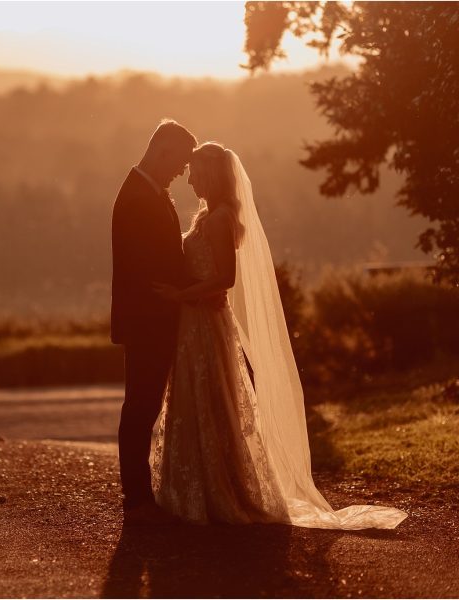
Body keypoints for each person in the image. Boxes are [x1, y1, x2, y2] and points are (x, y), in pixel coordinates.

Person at [150, 142, 408, 529]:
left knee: (214, 399)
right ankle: (193, 486)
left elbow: (225, 278)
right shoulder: (207, 216)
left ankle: (221, 489)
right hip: (194, 321)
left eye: (195, 171)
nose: (189, 178)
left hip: (206, 320)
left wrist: (180, 295)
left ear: (212, 174)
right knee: (195, 398)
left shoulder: (221, 218)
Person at [110, 120, 225, 526]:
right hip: (147, 318)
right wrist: (196, 288)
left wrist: (194, 289)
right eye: (178, 161)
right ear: (161, 151)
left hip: (157, 315)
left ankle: (141, 496)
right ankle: (137, 500)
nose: (181, 171)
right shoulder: (138, 196)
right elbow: (149, 265)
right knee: (141, 406)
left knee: (145, 404)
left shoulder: (149, 191)